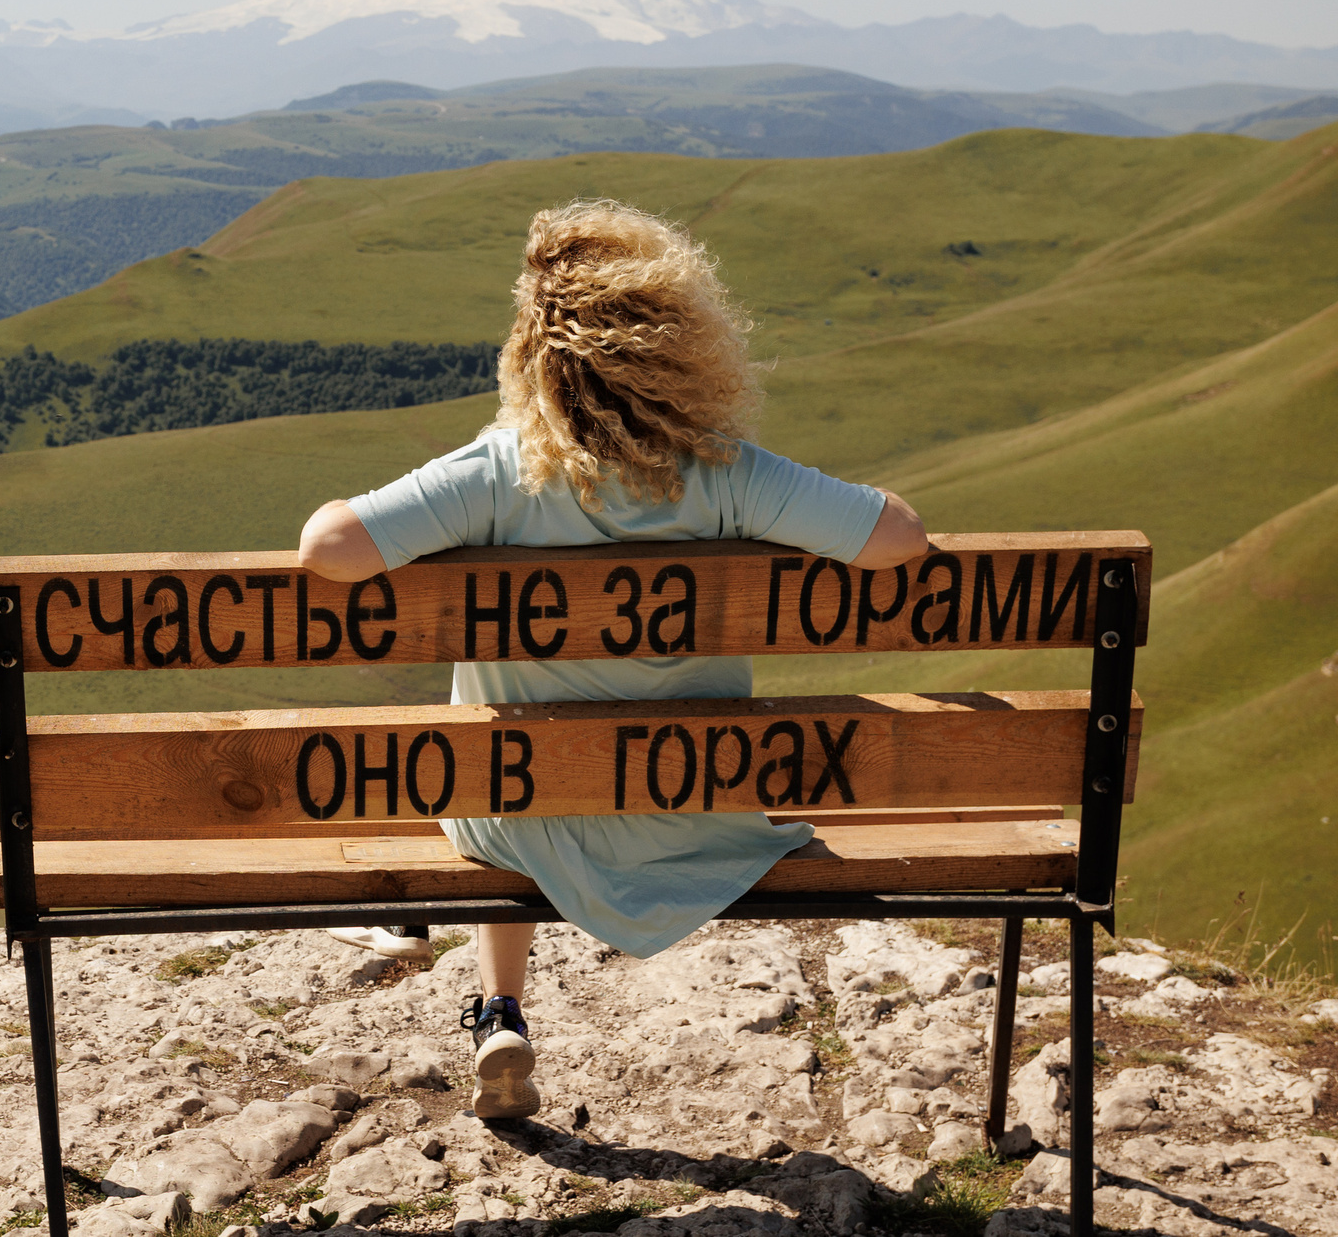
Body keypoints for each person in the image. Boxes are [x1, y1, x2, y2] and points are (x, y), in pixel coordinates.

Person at [296, 199, 928, 1121]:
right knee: (521, 762)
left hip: (519, 812)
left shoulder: (501, 472)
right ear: (677, 345)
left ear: (538, 354)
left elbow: (328, 549)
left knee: (501, 758)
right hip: (698, 812)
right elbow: (899, 538)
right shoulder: (726, 471)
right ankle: (501, 1000)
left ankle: (500, 1006)